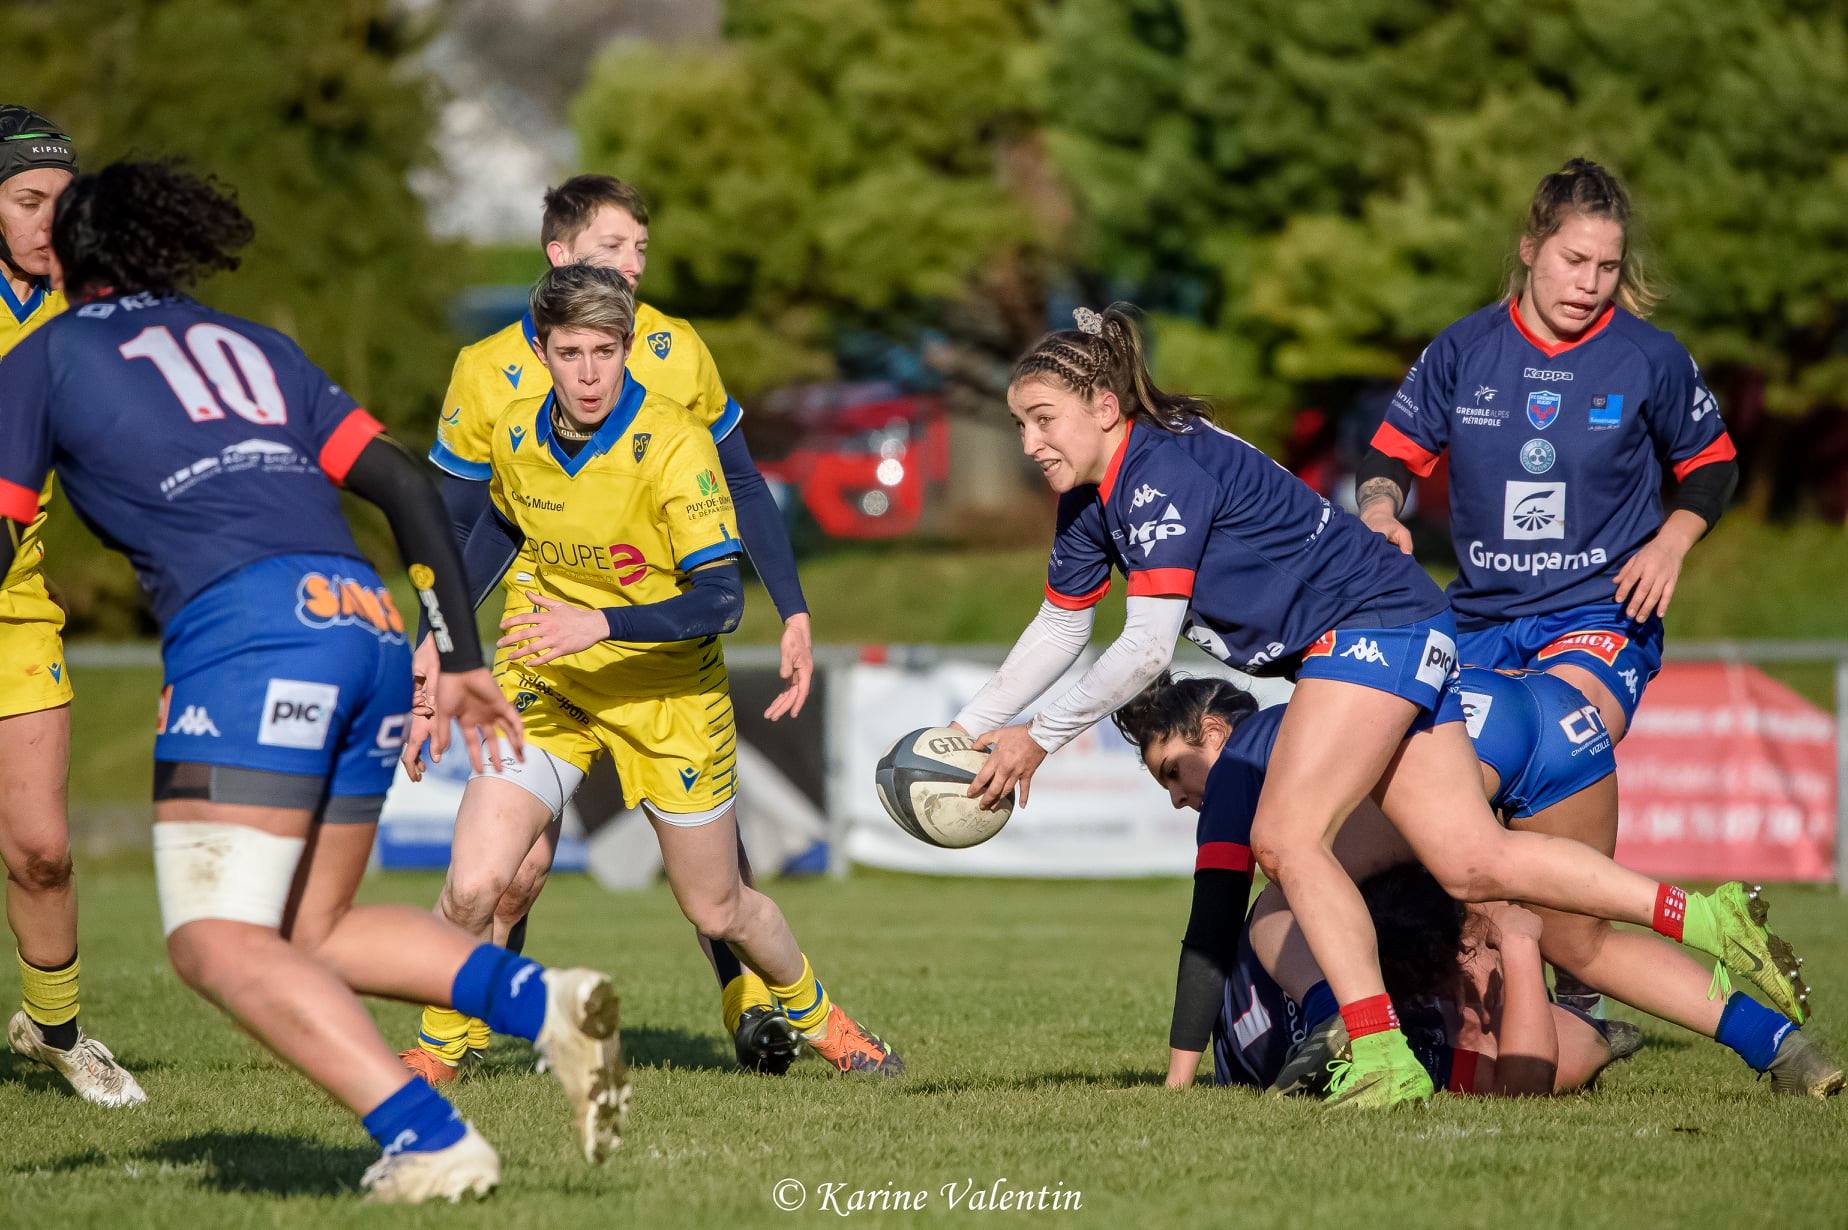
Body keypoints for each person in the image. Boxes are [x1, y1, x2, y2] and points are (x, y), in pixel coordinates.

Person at [951, 302, 1806, 1107]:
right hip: (1397, 625)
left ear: (1104, 406)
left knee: (1286, 838)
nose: (1028, 442)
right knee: (1474, 862)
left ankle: (1380, 1052)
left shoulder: (1157, 471)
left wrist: (1040, 738)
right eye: (1020, 422)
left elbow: (1143, 648)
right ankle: (1701, 914)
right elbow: (1060, 629)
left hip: (1369, 631)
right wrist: (964, 731)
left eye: (1042, 418)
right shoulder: (1094, 501)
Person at [0, 160, 631, 1203]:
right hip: (369, 624)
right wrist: (462, 656)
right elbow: (404, 484)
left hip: (252, 637)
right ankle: (552, 1001)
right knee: (312, 931)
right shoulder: (254, 345)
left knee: (213, 943)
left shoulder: (44, 353)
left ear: (70, 257)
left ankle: (427, 1136)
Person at [402, 261, 901, 1080]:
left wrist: (597, 620)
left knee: (719, 905)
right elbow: (493, 533)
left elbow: (718, 604)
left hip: (667, 695)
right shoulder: (518, 434)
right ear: (543, 350)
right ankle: (438, 1052)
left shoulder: (673, 443)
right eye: (570, 353)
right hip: (548, 680)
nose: (589, 373)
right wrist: (440, 642)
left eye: (605, 351)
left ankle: (826, 1021)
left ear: (628, 348)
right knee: (473, 885)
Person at [1113, 671, 1840, 1098]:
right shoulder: (1323, 701)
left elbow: (1212, 927)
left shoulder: (1244, 759)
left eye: (1174, 770)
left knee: (1285, 876)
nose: (1180, 796)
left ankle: (1344, 1022)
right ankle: (1781, 1048)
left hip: (1469, 752)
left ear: (1213, 728)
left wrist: (1181, 1082)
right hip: (1547, 709)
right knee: (1580, 945)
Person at [1356, 158, 1738, 747]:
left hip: (1600, 613)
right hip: (1480, 618)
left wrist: (1671, 544)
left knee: (1547, 738)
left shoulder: (1648, 357)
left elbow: (1713, 464)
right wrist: (1380, 515)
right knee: (1429, 783)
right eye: (1575, 261)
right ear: (1531, 249)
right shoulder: (1463, 349)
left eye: (1608, 267)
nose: (1590, 284)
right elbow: (1391, 457)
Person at [0, 104, 142, 1106]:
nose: (48, 219)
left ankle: (53, 1033)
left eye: (62, 201)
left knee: (43, 852)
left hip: (17, 613)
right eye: (25, 200)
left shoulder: (90, 319)